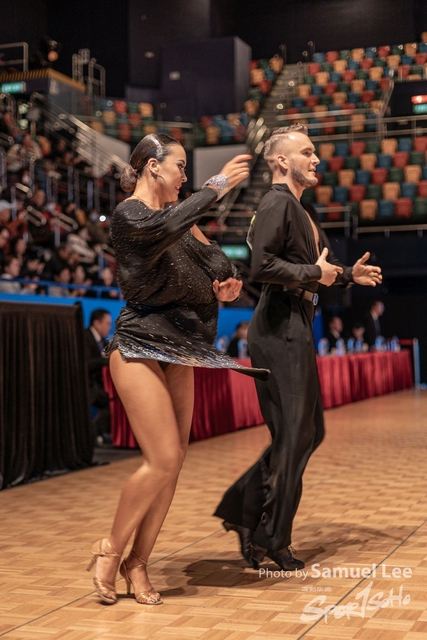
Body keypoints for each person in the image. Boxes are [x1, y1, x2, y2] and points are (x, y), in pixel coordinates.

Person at [86, 133, 268, 606]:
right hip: (139, 344)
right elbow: (167, 226)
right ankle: (109, 549)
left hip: (182, 349)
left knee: (174, 462)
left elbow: (218, 263)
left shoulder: (182, 219)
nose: (185, 176)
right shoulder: (131, 215)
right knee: (163, 457)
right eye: (180, 166)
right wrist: (217, 185)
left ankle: (138, 563)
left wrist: (226, 285)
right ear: (153, 166)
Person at [214, 124, 382, 571]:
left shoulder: (300, 209)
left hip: (296, 322)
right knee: (295, 435)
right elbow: (262, 266)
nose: (316, 159)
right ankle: (271, 536)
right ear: (282, 161)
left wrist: (347, 275)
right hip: (279, 323)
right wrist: (315, 274)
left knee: (308, 433)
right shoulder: (276, 202)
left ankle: (244, 512)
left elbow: (319, 267)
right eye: (307, 152)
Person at [84, 309, 112, 445]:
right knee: (108, 401)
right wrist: (105, 361)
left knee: (113, 402)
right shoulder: (84, 337)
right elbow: (86, 363)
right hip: (85, 384)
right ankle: (91, 435)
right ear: (96, 322)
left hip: (98, 384)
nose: (109, 327)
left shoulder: (103, 342)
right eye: (107, 323)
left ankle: (95, 434)